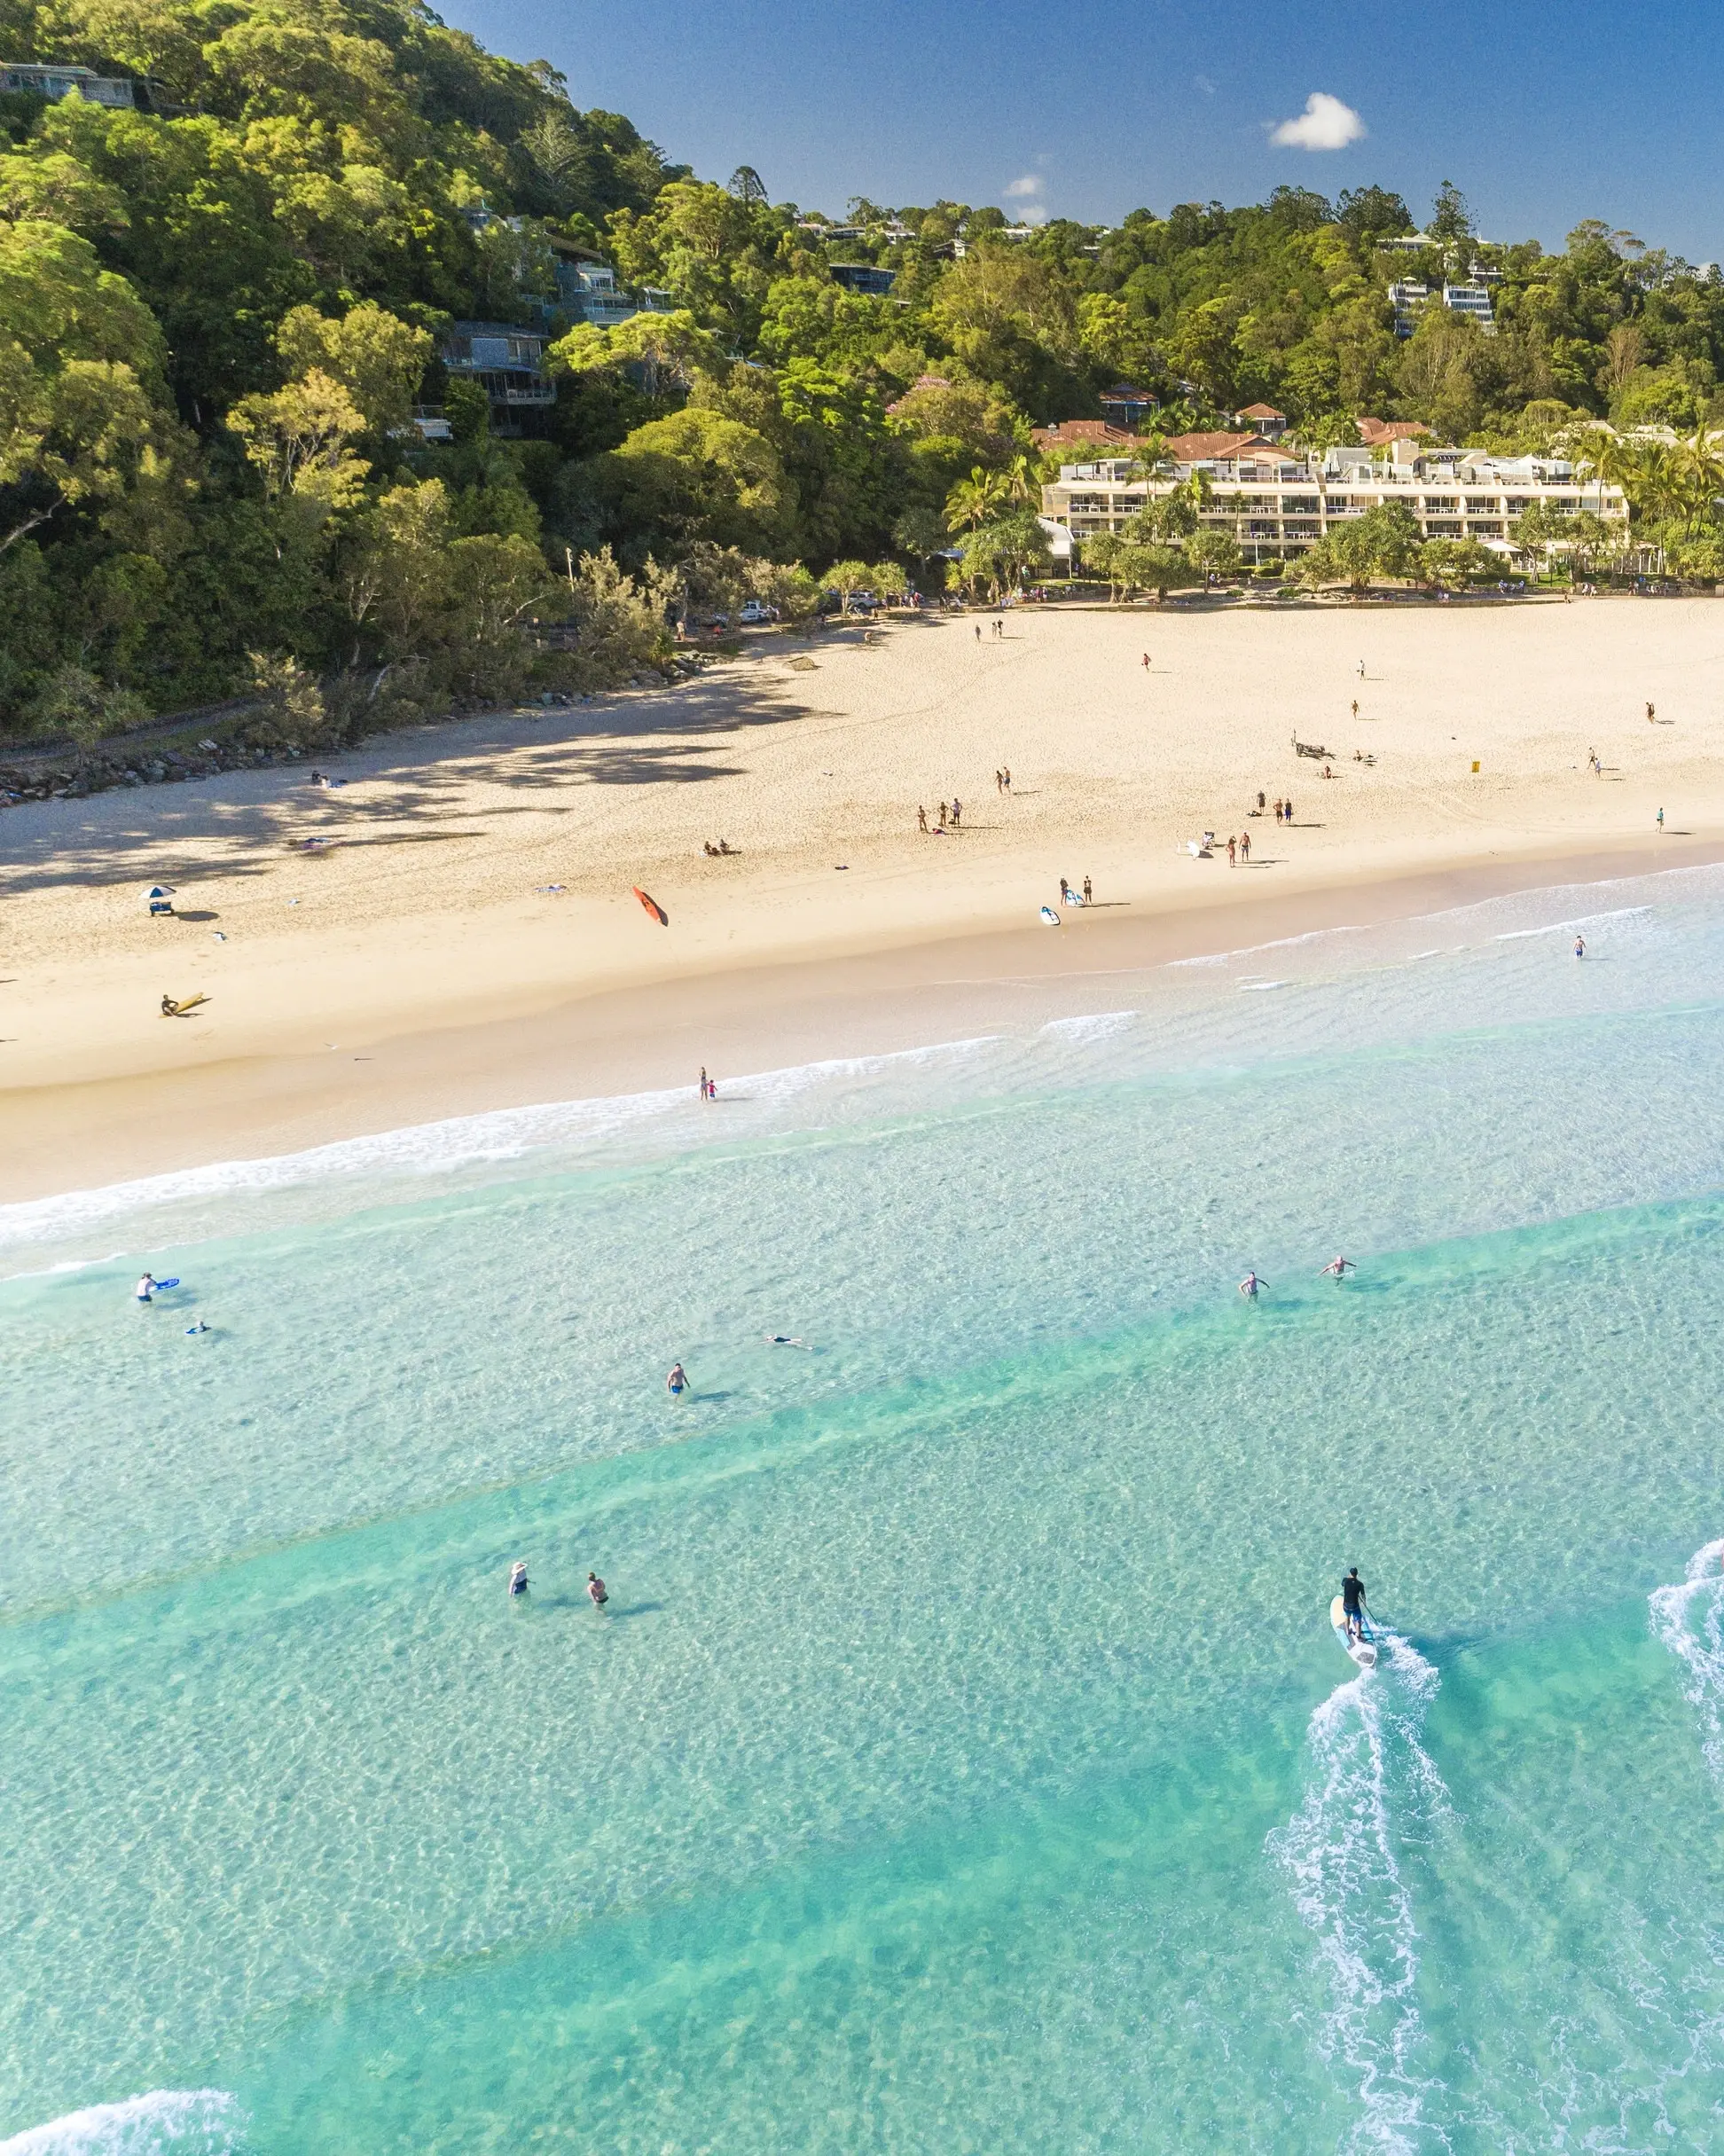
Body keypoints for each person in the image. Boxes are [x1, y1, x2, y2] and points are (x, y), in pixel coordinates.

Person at [1341, 1566, 1367, 1642]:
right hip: (1355, 1606)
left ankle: (1348, 1631)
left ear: (1350, 1573)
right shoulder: (1360, 1584)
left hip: (1346, 1605)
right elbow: (1363, 1595)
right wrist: (1364, 1602)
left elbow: (1342, 1584)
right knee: (1358, 1620)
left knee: (1347, 1617)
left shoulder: (1345, 1581)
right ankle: (1359, 1637)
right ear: (1357, 1574)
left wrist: (1349, 1578)